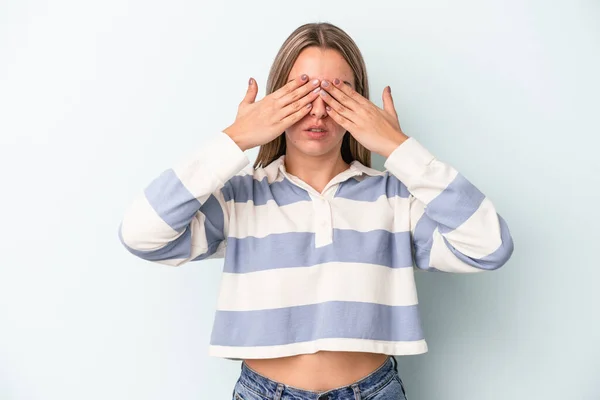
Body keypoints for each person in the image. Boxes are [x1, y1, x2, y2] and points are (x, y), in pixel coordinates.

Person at [118, 22, 514, 400]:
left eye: (338, 94)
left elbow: (489, 246)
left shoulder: (395, 199)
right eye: (302, 93)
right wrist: (236, 139)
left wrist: (398, 147)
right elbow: (141, 233)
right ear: (276, 101)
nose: (319, 110)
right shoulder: (241, 198)